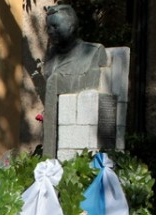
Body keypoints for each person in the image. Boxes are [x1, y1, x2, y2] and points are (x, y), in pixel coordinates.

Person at [41, 4, 108, 157]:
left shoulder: (93, 51)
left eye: (55, 26)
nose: (51, 32)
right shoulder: (51, 56)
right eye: (48, 27)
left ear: (71, 26)